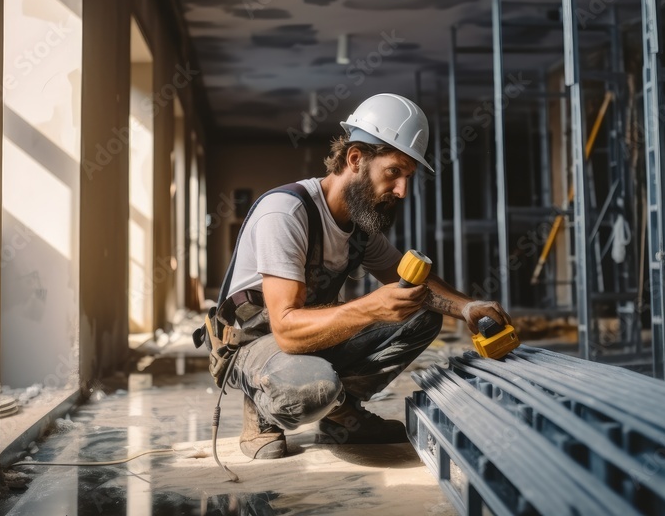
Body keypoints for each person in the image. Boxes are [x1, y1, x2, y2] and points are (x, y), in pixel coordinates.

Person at [213, 93, 512, 460]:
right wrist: (371, 308)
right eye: (394, 172)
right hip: (257, 343)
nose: (402, 190)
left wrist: (467, 307)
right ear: (355, 159)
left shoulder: (359, 227)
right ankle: (262, 408)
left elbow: (413, 281)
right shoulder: (287, 213)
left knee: (421, 310)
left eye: (407, 177)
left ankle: (342, 412)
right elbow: (287, 330)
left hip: (309, 338)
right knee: (313, 389)